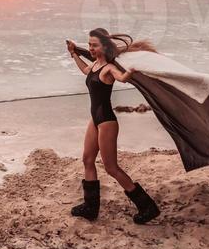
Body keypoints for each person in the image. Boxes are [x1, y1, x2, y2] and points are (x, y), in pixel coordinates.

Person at [66, 27, 160, 224]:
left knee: (111, 167)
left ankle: (147, 206)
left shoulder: (108, 68)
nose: (90, 48)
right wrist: (75, 53)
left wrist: (131, 70)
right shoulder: (94, 66)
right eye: (89, 44)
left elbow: (122, 78)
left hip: (107, 122)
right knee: (87, 159)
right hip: (95, 119)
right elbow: (85, 70)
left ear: (104, 46)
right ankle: (90, 207)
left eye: (94, 45)